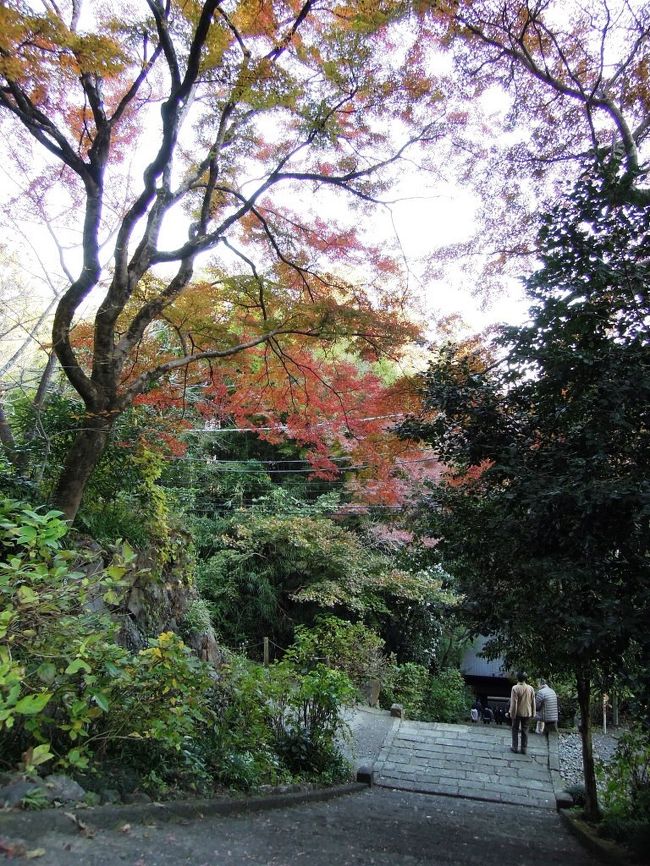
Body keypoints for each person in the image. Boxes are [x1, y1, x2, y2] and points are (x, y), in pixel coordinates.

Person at [509, 671, 536, 754]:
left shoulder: (515, 688)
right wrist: (533, 712)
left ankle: (515, 747)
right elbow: (533, 702)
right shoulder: (530, 688)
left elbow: (514, 703)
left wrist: (512, 713)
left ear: (517, 678)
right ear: (525, 678)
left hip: (517, 712)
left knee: (515, 729)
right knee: (525, 730)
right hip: (527, 712)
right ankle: (524, 748)